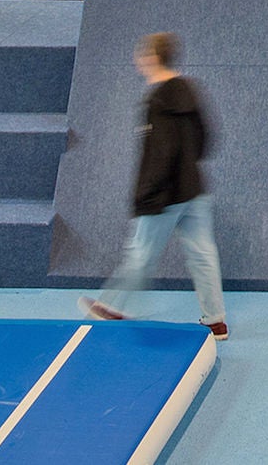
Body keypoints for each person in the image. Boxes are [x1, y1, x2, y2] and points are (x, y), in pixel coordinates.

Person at [80, 32, 226, 341]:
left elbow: (160, 153)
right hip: (194, 189)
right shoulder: (190, 90)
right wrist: (189, 168)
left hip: (164, 195)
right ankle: (216, 321)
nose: (138, 59)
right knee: (203, 254)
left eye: (141, 54)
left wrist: (144, 194)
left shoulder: (156, 101)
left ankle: (110, 306)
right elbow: (205, 139)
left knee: (140, 254)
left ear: (152, 58)